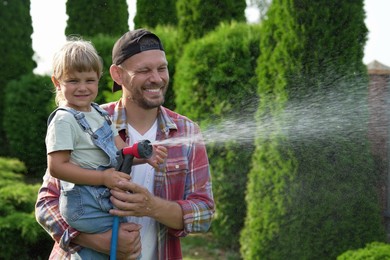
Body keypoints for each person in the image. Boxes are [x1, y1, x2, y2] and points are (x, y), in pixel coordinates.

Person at [35, 29, 215, 259]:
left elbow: (205, 214)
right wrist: (95, 241)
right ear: (117, 75)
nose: (157, 78)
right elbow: (45, 203)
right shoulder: (85, 121)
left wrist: (152, 207)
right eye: (143, 70)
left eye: (162, 68)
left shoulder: (187, 132)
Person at [41, 37, 167, 259]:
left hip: (100, 199)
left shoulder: (99, 114)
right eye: (72, 81)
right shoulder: (63, 120)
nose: (82, 88)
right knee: (120, 248)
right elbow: (57, 168)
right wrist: (104, 178)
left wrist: (143, 154)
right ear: (56, 82)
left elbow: (121, 153)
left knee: (125, 247)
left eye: (89, 80)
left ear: (99, 79)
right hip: (84, 203)